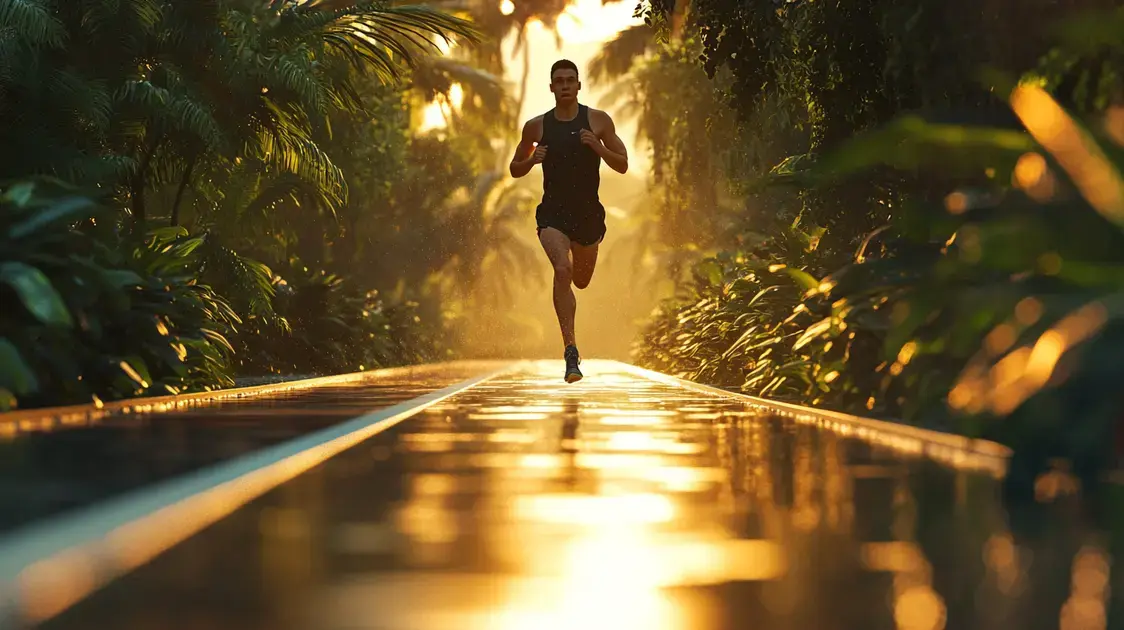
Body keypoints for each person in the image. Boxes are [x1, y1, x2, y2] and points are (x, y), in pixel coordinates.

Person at [508, 59, 629, 383]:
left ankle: (572, 344)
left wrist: (599, 148)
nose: (564, 85)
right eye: (558, 81)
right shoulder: (536, 127)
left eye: (569, 80)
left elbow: (623, 164)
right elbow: (514, 167)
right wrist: (532, 159)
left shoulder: (598, 121)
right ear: (551, 87)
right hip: (553, 215)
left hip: (588, 217)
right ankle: (571, 351)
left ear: (578, 86)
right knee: (562, 269)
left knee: (581, 280)